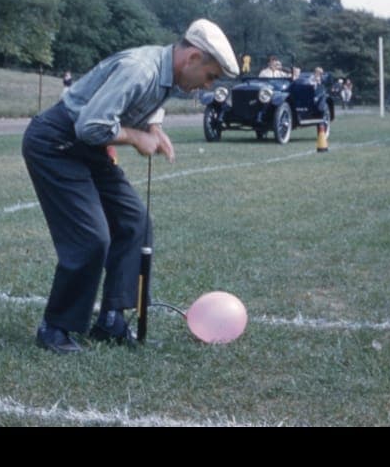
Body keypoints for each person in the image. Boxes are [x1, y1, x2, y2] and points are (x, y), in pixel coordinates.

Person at [22, 19, 238, 354]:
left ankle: (111, 320)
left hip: (87, 148)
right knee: (91, 237)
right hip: (56, 145)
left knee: (134, 222)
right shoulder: (141, 69)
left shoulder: (166, 72)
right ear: (193, 58)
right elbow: (90, 126)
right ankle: (55, 328)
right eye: (210, 76)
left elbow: (148, 100)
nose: (206, 86)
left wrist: (153, 125)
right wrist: (137, 137)